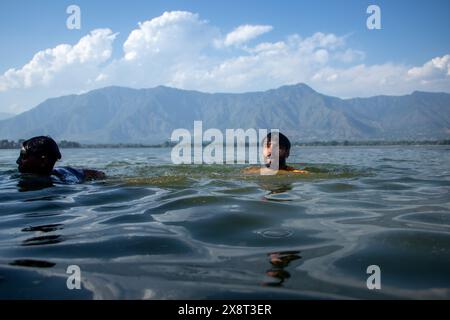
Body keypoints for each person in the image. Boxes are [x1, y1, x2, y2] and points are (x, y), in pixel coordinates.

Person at [16, 136, 105, 184]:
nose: (18, 161)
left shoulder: (63, 180)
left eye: (23, 156)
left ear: (43, 161)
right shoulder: (64, 171)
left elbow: (97, 174)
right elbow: (92, 173)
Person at [243, 132, 309, 174]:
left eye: (276, 147)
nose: (270, 151)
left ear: (287, 153)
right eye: (267, 146)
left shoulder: (297, 173)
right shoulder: (250, 171)